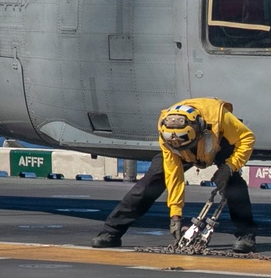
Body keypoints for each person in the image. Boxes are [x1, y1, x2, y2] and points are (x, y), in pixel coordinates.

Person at [91, 97, 258, 253]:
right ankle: (111, 232)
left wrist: (230, 166)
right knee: (150, 183)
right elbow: (174, 177)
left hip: (219, 140)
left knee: (233, 185)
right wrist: (175, 216)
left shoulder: (219, 117)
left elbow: (247, 138)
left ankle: (246, 235)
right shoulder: (167, 133)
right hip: (179, 148)